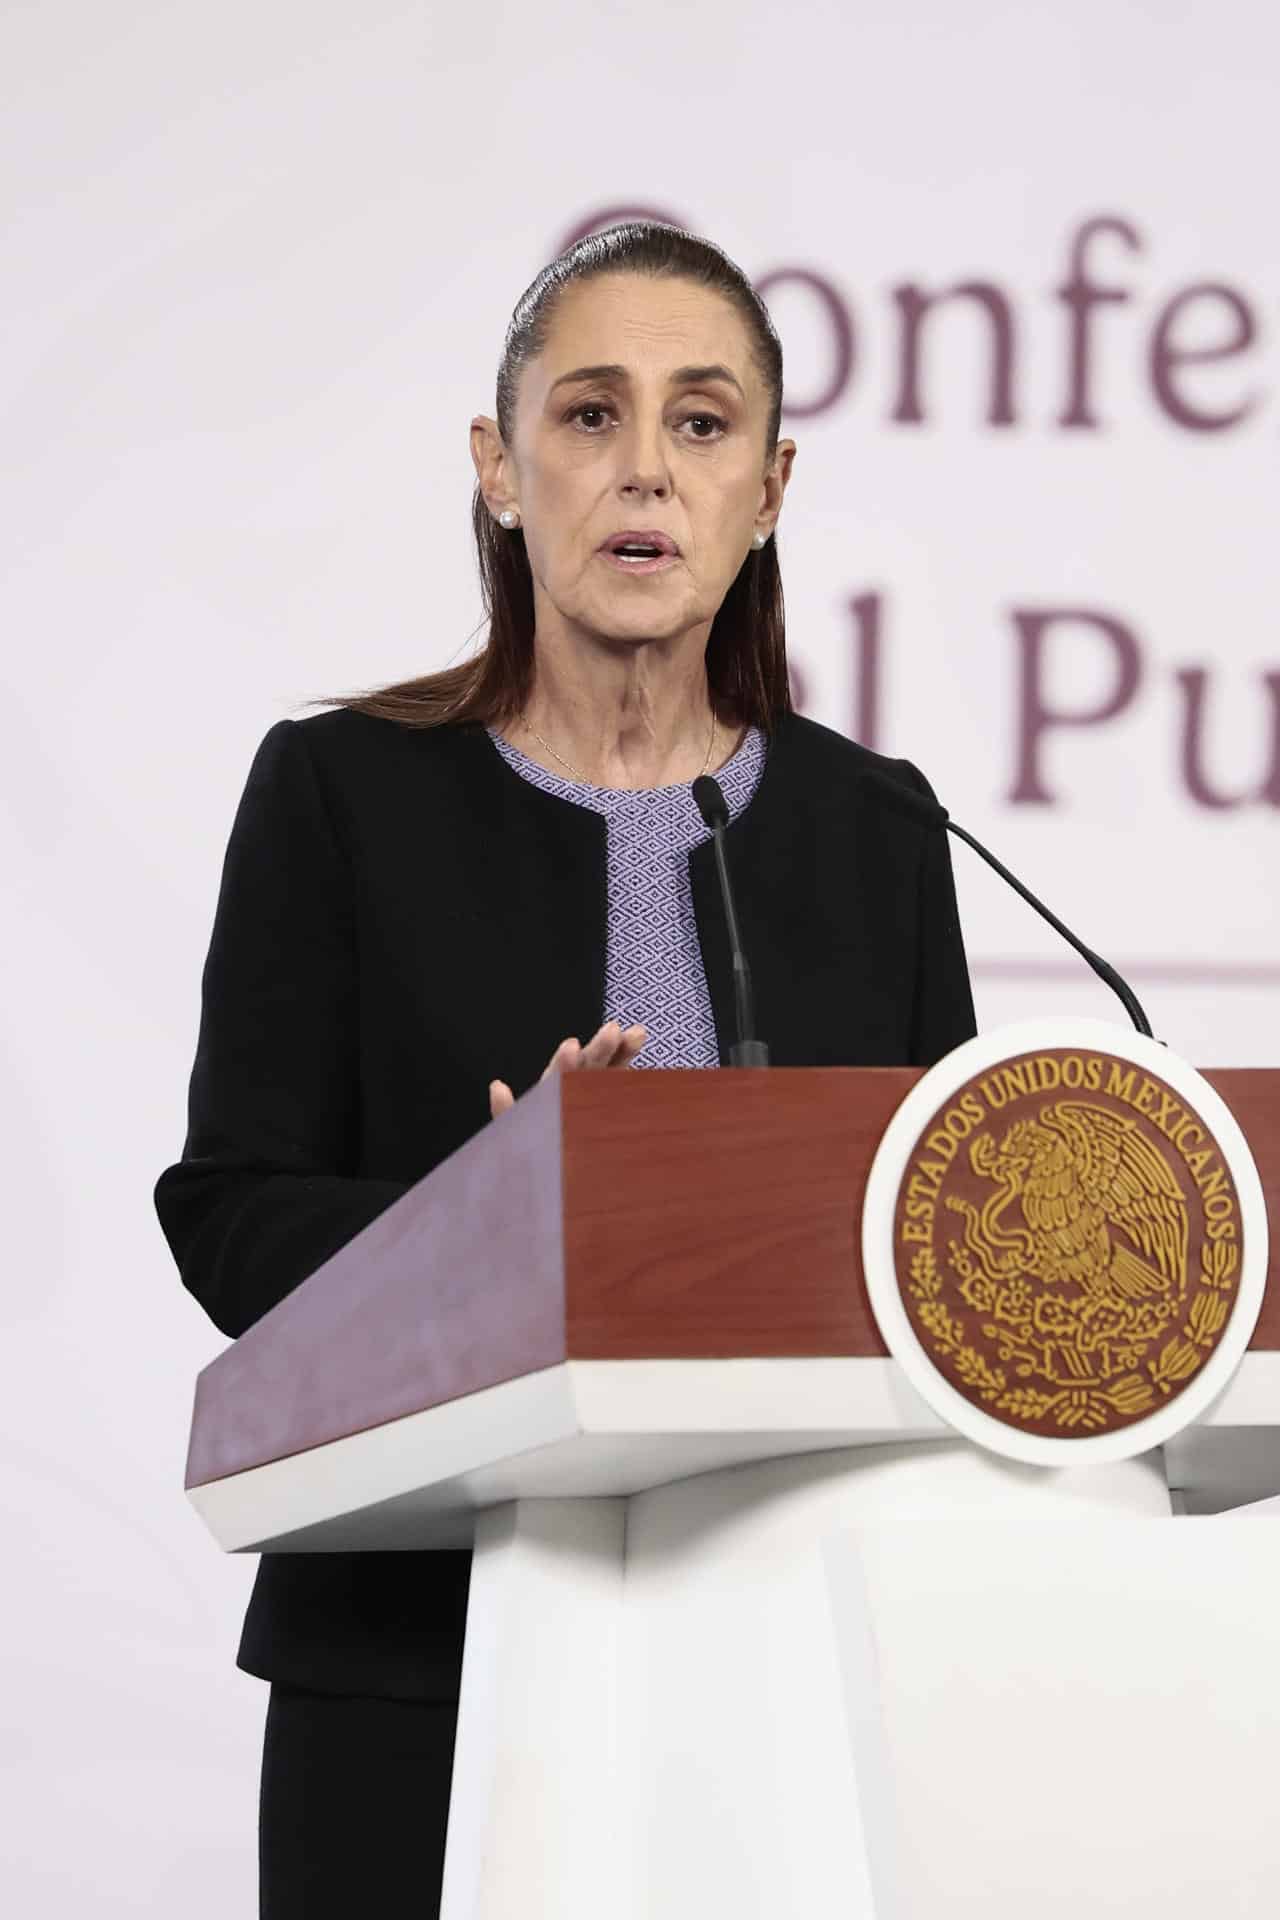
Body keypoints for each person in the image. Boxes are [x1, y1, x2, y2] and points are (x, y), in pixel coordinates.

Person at [153, 219, 976, 1917]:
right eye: (591, 415)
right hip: (419, 1649)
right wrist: (489, 1224)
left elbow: (939, 1245)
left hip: (796, 1658)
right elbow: (229, 1216)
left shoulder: (873, 828)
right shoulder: (339, 798)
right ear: (500, 468)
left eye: (701, 420)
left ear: (770, 486)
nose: (644, 471)